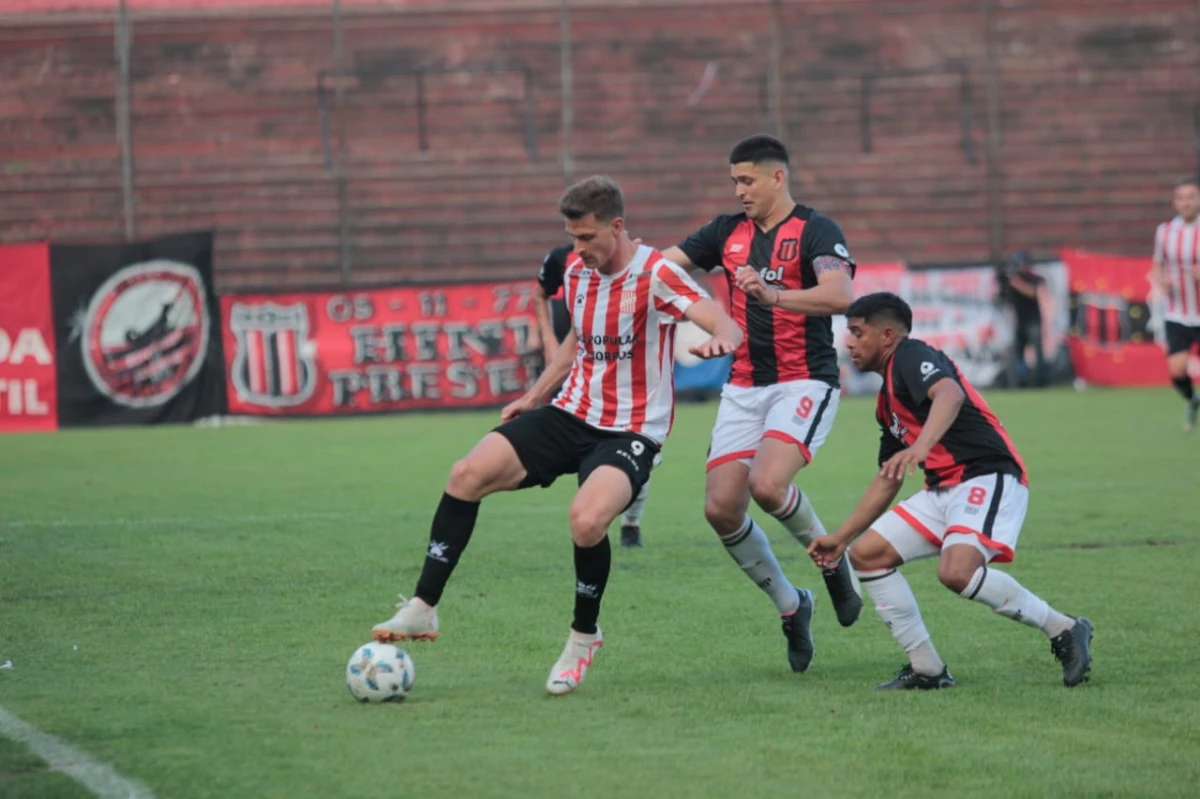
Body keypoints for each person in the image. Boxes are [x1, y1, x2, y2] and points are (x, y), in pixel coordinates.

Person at [371, 175, 743, 695]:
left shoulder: (656, 273)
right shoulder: (575, 269)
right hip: (570, 412)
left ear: (616, 226)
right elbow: (577, 339)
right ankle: (423, 607)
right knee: (466, 473)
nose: (577, 248)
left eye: (587, 237)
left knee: (587, 520)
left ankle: (583, 637)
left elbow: (719, 319)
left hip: (631, 430)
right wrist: (536, 393)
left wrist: (722, 338)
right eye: (572, 237)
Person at [807, 292, 1094, 690]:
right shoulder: (886, 402)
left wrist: (921, 446)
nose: (849, 342)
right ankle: (927, 668)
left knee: (956, 572)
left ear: (887, 335)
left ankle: (1063, 627)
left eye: (857, 332)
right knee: (867, 555)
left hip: (986, 475)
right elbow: (889, 476)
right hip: (943, 488)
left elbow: (950, 394)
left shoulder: (910, 355)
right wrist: (841, 538)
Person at [658, 133, 862, 674]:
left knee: (767, 485)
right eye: (733, 182)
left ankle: (830, 554)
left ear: (778, 177)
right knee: (720, 508)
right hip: (745, 385)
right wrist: (704, 316)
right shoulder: (725, 232)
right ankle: (792, 607)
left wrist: (773, 295)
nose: (739, 190)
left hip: (803, 381)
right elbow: (662, 271)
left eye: (747, 180)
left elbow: (840, 297)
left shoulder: (816, 230)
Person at [532, 242, 654, 548]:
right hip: (574, 368)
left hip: (620, 376)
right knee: (585, 443)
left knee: (638, 452)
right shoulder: (563, 260)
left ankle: (631, 521)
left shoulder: (629, 270)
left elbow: (628, 315)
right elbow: (540, 295)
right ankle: (593, 520)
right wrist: (547, 338)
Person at [1151, 177, 1200, 430]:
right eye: (1181, 198)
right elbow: (1157, 265)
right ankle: (1193, 400)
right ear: (1175, 202)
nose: (1186, 203)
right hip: (1178, 312)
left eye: (1191, 197)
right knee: (1177, 371)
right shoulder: (1165, 231)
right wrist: (1162, 282)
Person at [998, 250, 1048, 387]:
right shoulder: (1013, 280)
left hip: (1033, 322)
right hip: (1020, 323)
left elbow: (1032, 293)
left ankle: (1041, 381)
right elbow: (1002, 298)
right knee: (1018, 354)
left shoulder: (1034, 279)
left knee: (1038, 354)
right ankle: (1021, 381)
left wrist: (1015, 283)